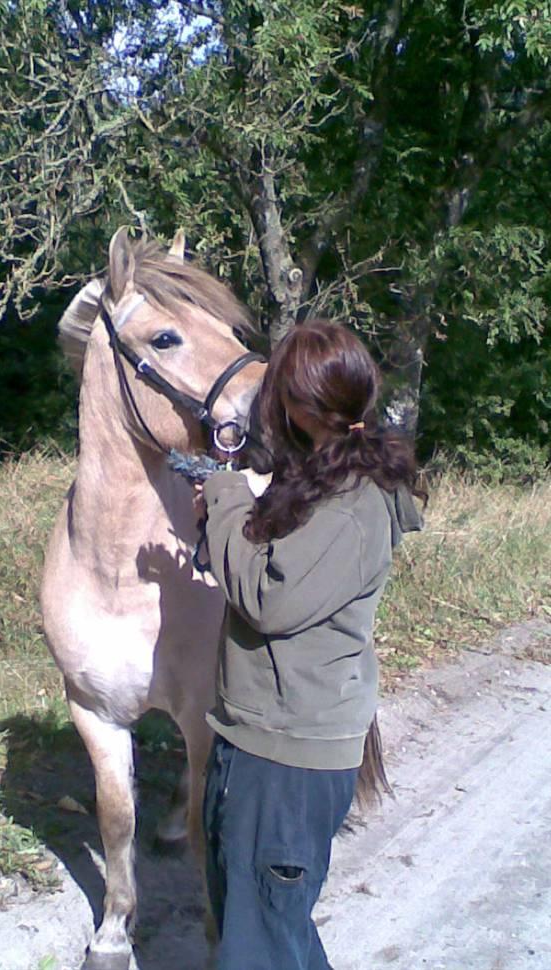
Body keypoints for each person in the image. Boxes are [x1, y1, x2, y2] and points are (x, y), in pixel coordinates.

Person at [196, 318, 425, 970]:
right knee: (273, 931)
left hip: (283, 761)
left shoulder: (353, 503)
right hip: (268, 745)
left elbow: (269, 601)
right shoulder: (329, 476)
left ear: (299, 405)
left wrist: (225, 495)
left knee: (257, 946)